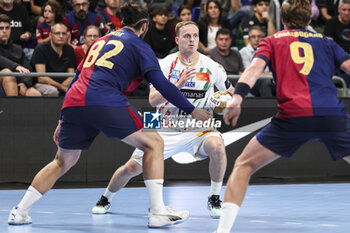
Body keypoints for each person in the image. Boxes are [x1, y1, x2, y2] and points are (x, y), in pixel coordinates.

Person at [8, 3, 210, 228]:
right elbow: (162, 85)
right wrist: (192, 109)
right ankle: (157, 212)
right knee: (154, 143)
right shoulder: (139, 45)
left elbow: (77, 78)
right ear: (143, 27)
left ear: (122, 22)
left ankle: (20, 211)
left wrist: (61, 119)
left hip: (74, 102)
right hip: (104, 99)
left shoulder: (100, 40)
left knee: (62, 161)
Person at [215, 0, 350, 232]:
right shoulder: (327, 42)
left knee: (244, 165)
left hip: (293, 117)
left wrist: (237, 98)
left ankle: (222, 230)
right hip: (331, 115)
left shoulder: (272, 40)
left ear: (283, 20)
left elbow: (254, 70)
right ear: (310, 20)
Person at [91, 21, 233, 219]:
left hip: (197, 127)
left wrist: (224, 100)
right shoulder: (164, 64)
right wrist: (178, 83)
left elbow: (229, 90)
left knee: (218, 147)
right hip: (164, 124)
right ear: (177, 39)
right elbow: (153, 99)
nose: (192, 40)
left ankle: (214, 197)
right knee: (131, 168)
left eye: (195, 36)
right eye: (187, 36)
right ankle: (106, 198)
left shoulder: (211, 66)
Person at [0, 14, 40, 96]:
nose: (4, 31)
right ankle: (12, 108)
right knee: (7, 73)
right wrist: (16, 66)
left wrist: (24, 83)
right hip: (4, 79)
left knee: (34, 94)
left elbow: (28, 69)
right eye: (1, 28)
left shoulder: (17, 48)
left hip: (18, 82)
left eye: (7, 28)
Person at [31, 22, 75, 96]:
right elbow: (41, 78)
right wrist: (61, 87)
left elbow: (71, 75)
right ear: (50, 35)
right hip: (43, 84)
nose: (61, 36)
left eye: (64, 34)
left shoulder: (69, 49)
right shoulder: (41, 49)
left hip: (63, 84)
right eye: (57, 33)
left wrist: (61, 87)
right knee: (52, 91)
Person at [239, 26, 274, 97]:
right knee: (265, 82)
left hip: (269, 81)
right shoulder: (243, 52)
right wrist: (268, 75)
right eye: (253, 37)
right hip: (251, 84)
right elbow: (250, 73)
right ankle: (269, 107)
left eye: (259, 36)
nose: (256, 39)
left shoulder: (268, 50)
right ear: (249, 39)